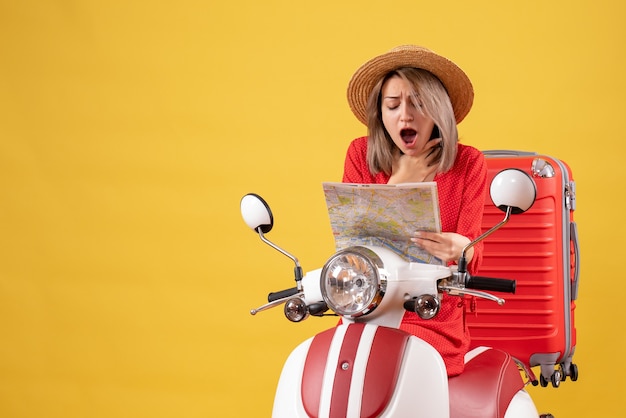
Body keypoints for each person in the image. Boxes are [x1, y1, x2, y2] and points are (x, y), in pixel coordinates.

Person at [342, 45, 487, 377]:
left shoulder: (468, 163)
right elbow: (353, 245)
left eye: (419, 104)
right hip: (367, 309)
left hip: (432, 316)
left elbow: (472, 250)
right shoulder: (359, 154)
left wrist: (464, 248)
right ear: (380, 114)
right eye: (393, 105)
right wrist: (401, 181)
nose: (405, 115)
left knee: (398, 368)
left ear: (439, 111)